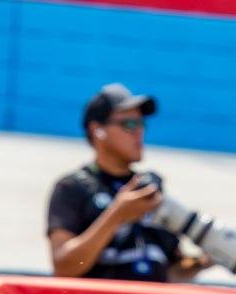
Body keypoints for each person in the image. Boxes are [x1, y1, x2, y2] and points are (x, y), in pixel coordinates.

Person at [47, 83, 209, 282]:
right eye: (129, 125)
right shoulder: (73, 187)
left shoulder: (149, 188)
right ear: (97, 130)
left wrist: (209, 257)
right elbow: (64, 268)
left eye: (142, 124)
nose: (139, 132)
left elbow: (169, 274)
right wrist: (116, 216)